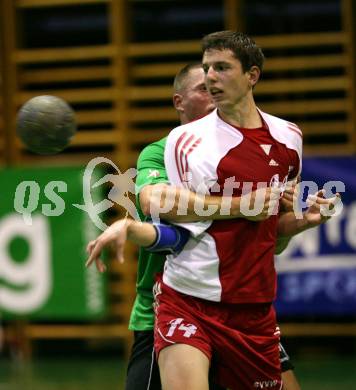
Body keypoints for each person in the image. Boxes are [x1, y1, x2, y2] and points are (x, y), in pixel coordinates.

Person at [86, 62, 338, 390]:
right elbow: (159, 209)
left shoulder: (248, 156)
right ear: (179, 102)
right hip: (172, 305)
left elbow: (269, 240)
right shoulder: (162, 152)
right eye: (202, 88)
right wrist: (243, 206)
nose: (212, 93)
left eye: (215, 85)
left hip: (239, 309)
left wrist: (297, 222)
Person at [152, 31, 340, 390]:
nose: (210, 77)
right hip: (188, 295)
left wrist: (304, 221)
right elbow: (171, 210)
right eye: (208, 68)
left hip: (252, 304)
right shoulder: (186, 140)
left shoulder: (288, 137)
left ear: (252, 75)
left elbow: (271, 230)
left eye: (222, 68)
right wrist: (241, 206)